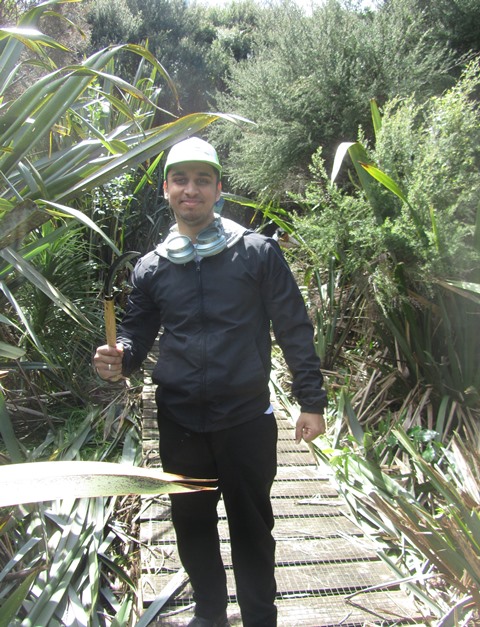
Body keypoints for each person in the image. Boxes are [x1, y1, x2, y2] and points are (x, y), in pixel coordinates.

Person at [94, 137, 327, 627]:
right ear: (166, 189)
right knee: (191, 523)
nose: (191, 190)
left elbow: (293, 327)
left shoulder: (257, 253)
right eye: (181, 180)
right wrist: (120, 358)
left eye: (202, 180)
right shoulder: (153, 266)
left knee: (252, 527)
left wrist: (311, 400)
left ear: (218, 189)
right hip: (179, 421)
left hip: (246, 419)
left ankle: (260, 617)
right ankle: (210, 613)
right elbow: (136, 332)